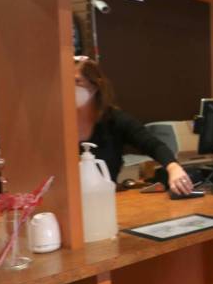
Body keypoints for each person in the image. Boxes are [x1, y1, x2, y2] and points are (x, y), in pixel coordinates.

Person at [74, 57, 193, 195]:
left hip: (104, 201)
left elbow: (153, 145)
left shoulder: (114, 119)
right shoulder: (58, 124)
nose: (70, 88)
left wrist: (174, 168)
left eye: (77, 82)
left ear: (95, 86)